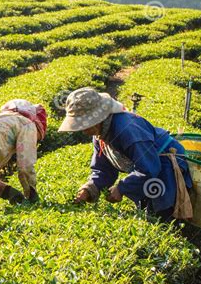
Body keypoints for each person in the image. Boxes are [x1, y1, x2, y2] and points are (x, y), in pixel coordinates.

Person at [58, 87, 193, 222]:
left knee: (163, 215)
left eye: (82, 124)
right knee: (147, 211)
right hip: (149, 169)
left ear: (96, 119)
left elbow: (149, 168)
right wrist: (90, 189)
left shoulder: (127, 130)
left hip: (166, 166)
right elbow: (103, 169)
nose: (81, 129)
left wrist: (122, 188)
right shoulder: (99, 134)